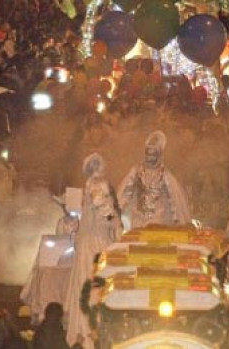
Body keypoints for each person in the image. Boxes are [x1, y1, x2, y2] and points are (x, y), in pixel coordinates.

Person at [65, 153, 122, 348]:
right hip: (93, 241)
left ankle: (87, 333)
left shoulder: (95, 184)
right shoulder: (96, 184)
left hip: (93, 244)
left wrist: (110, 218)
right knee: (93, 285)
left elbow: (104, 209)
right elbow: (106, 213)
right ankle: (91, 332)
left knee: (89, 284)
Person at [118, 131, 191, 229]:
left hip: (159, 219)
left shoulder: (165, 174)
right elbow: (125, 193)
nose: (150, 158)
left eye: (153, 155)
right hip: (139, 218)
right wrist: (115, 213)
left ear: (159, 155)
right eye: (148, 155)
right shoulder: (136, 171)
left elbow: (174, 200)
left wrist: (179, 221)